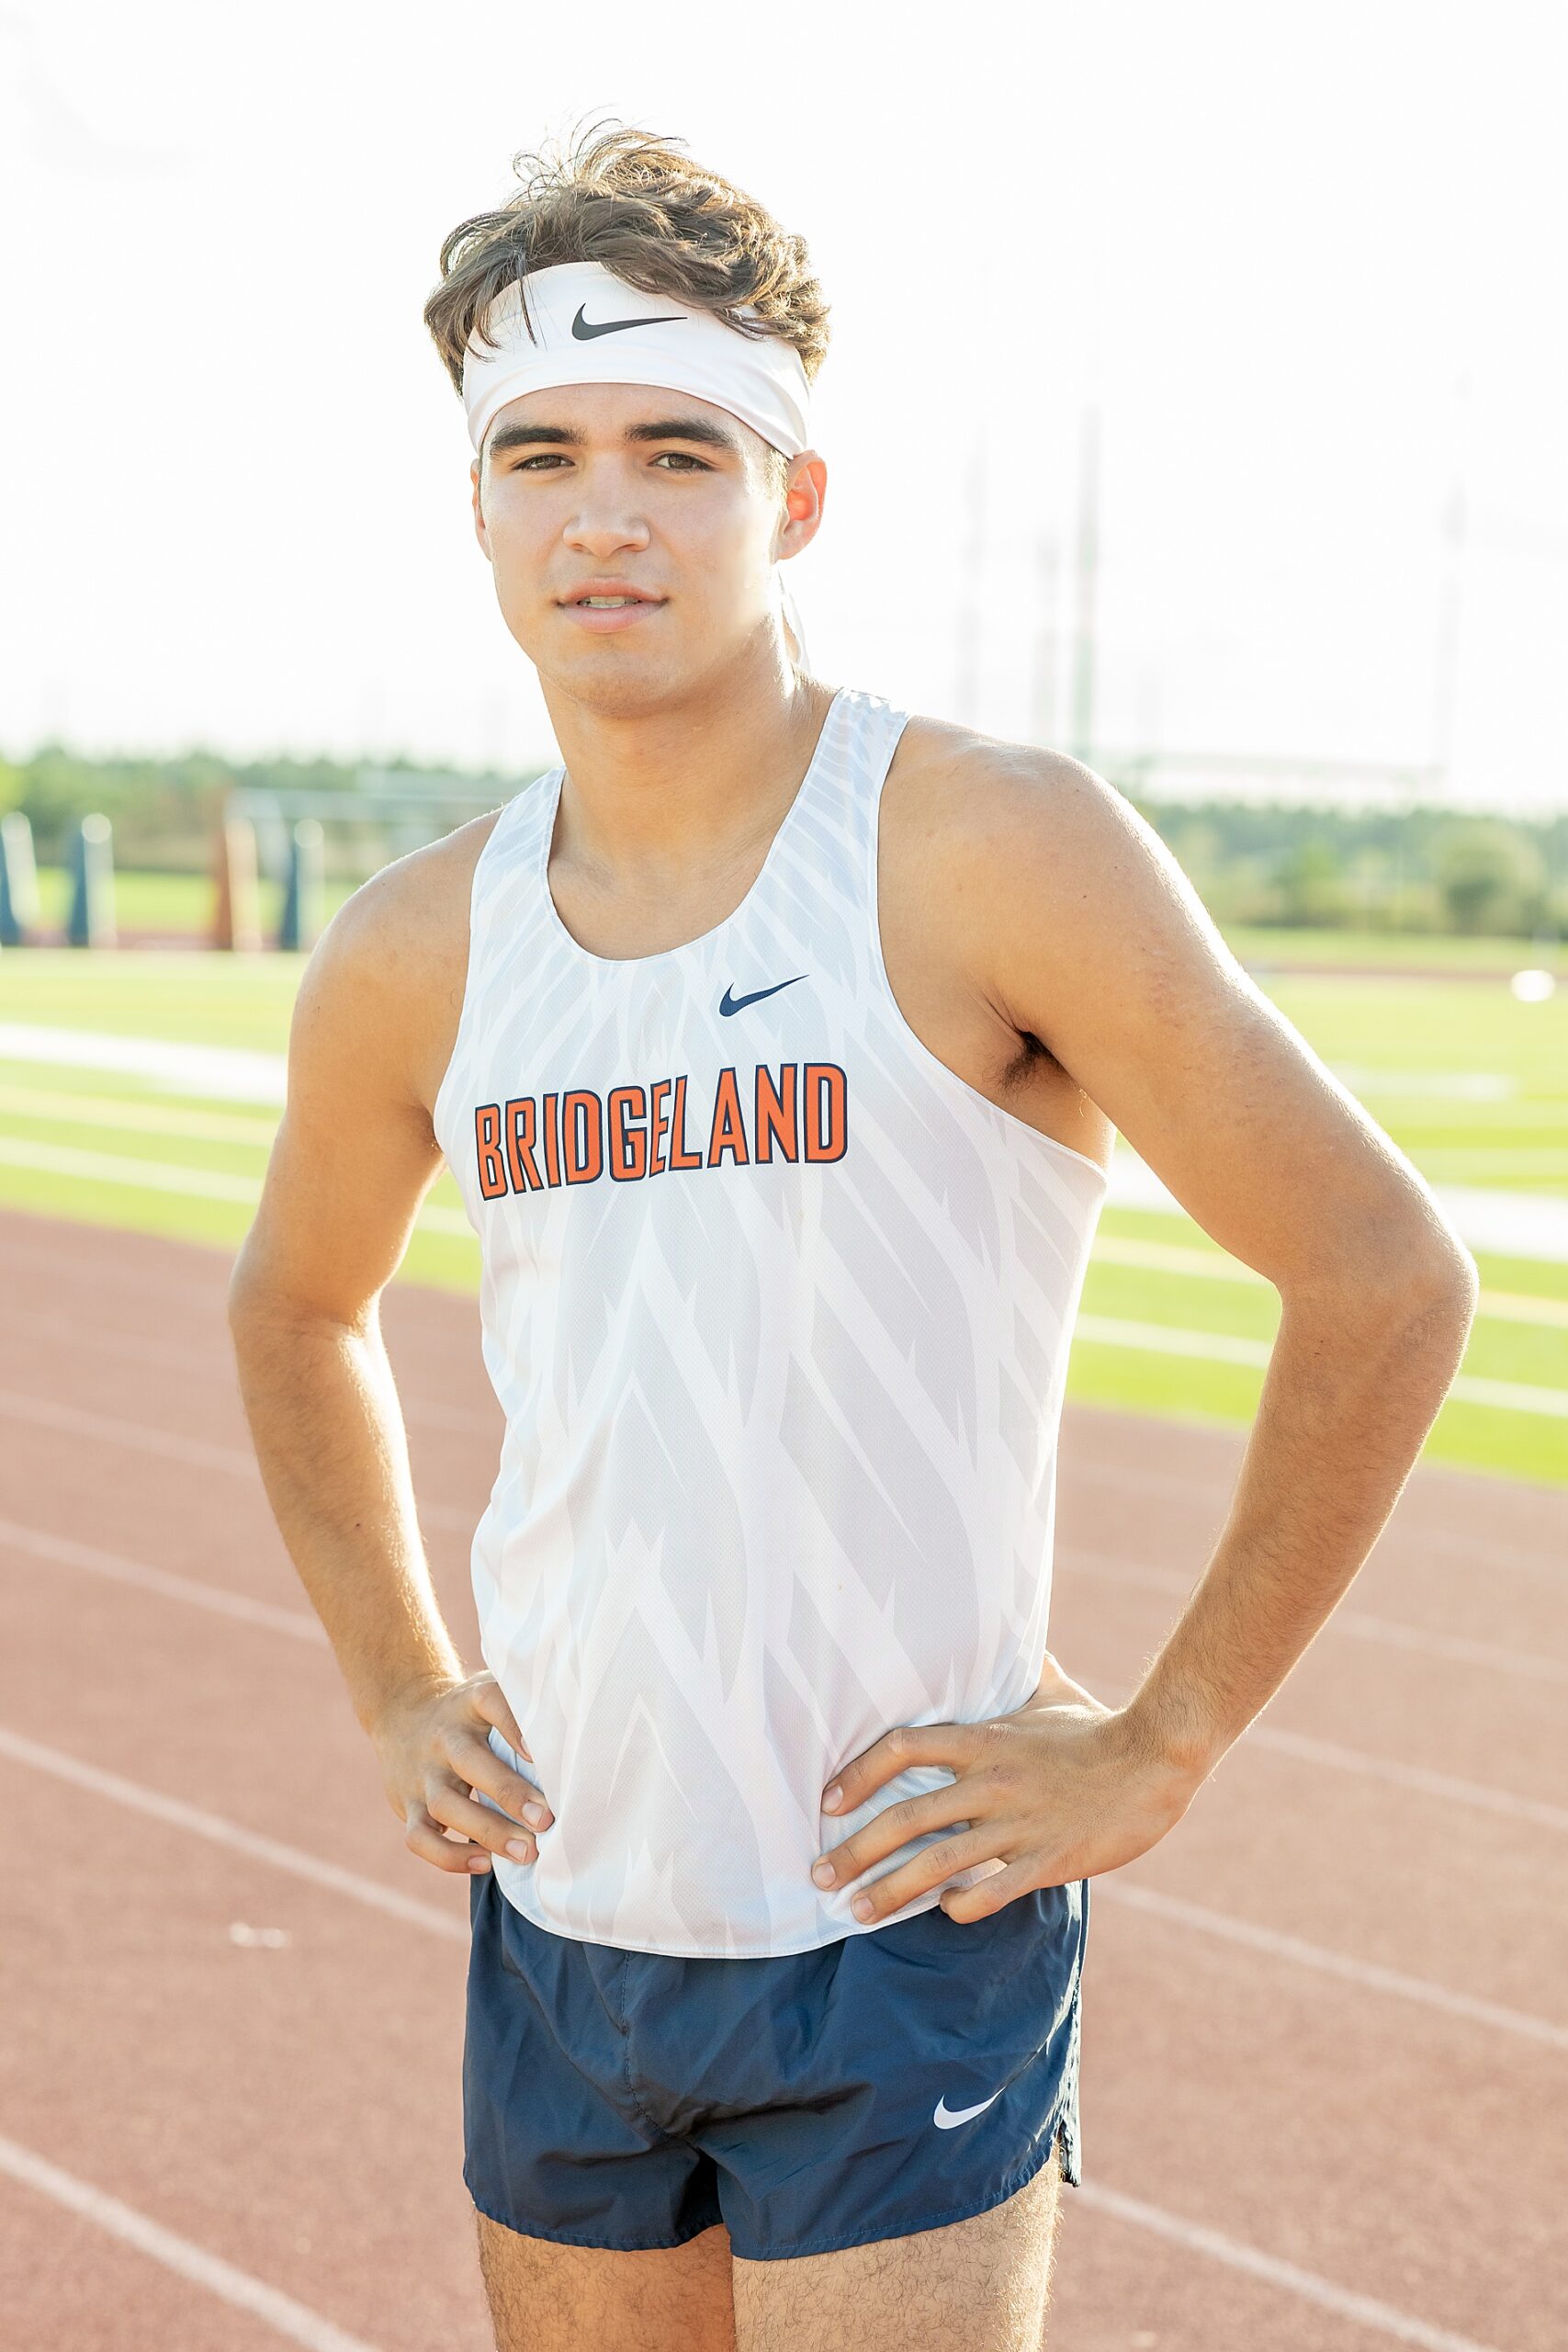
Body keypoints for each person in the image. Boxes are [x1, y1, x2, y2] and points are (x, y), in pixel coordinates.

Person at [227, 121, 1478, 2352]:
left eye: (676, 450)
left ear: (790, 494)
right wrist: (397, 1677)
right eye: (541, 454)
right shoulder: (420, 944)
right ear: (480, 503)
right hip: (565, 1908)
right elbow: (296, 1306)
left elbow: (1383, 1271)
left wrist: (1164, 1734)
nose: (603, 511)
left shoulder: (981, 847)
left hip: (898, 1914)